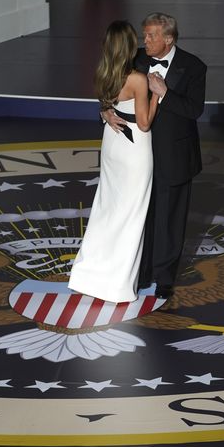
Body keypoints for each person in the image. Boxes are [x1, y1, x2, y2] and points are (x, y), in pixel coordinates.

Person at [104, 12, 207, 300]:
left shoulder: (194, 67)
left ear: (168, 39)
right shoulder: (134, 58)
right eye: (144, 34)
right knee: (139, 215)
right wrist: (103, 110)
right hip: (137, 154)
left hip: (174, 156)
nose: (144, 40)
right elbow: (110, 85)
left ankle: (164, 279)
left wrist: (165, 93)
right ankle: (141, 271)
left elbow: (194, 110)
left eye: (150, 36)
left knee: (169, 219)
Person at [68, 20, 159, 303]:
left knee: (106, 210)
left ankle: (88, 277)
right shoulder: (138, 79)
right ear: (130, 46)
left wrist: (106, 111)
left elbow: (106, 106)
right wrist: (158, 94)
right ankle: (117, 286)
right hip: (134, 151)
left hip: (112, 144)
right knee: (131, 216)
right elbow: (144, 124)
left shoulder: (104, 72)